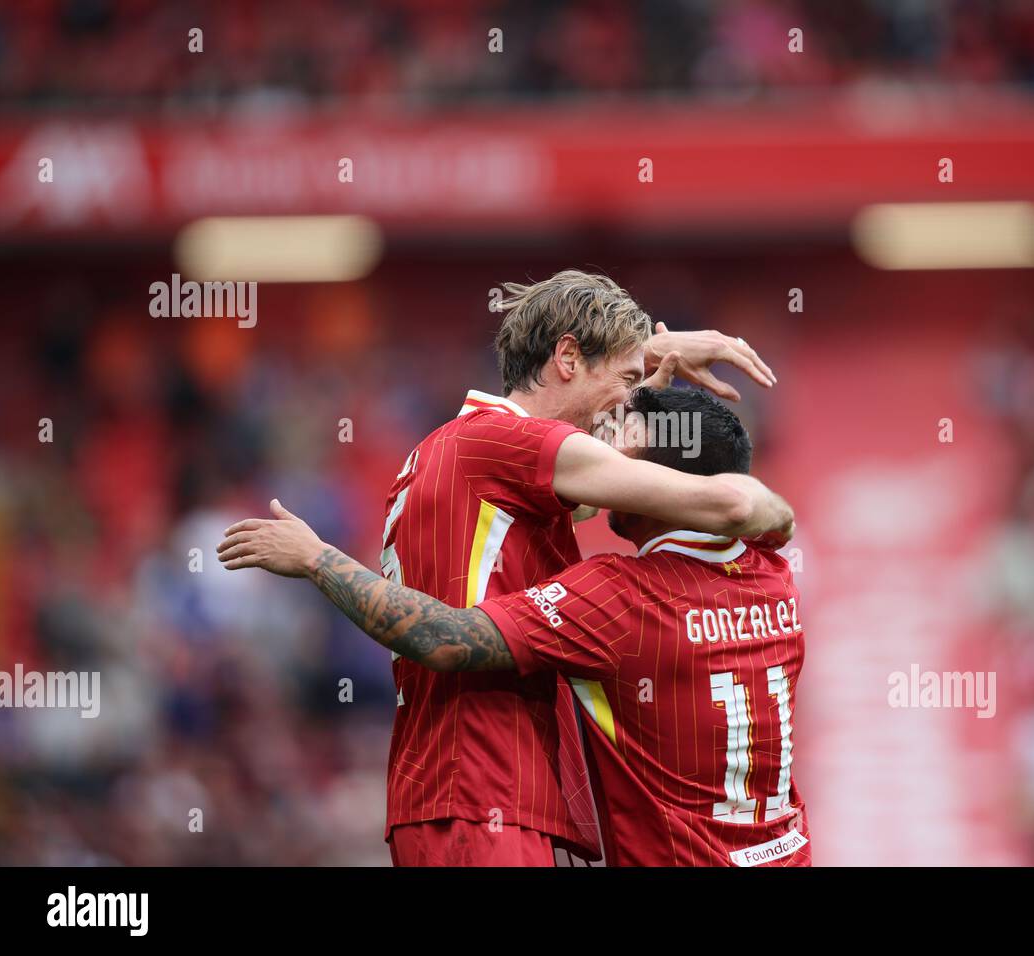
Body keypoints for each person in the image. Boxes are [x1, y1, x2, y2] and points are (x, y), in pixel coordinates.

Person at [224, 270, 794, 866]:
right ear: (568, 356)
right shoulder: (519, 445)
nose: (629, 405)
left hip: (462, 794)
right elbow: (725, 505)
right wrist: (774, 515)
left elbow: (603, 494)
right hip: (481, 792)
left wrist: (649, 354)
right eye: (627, 382)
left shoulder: (465, 454)